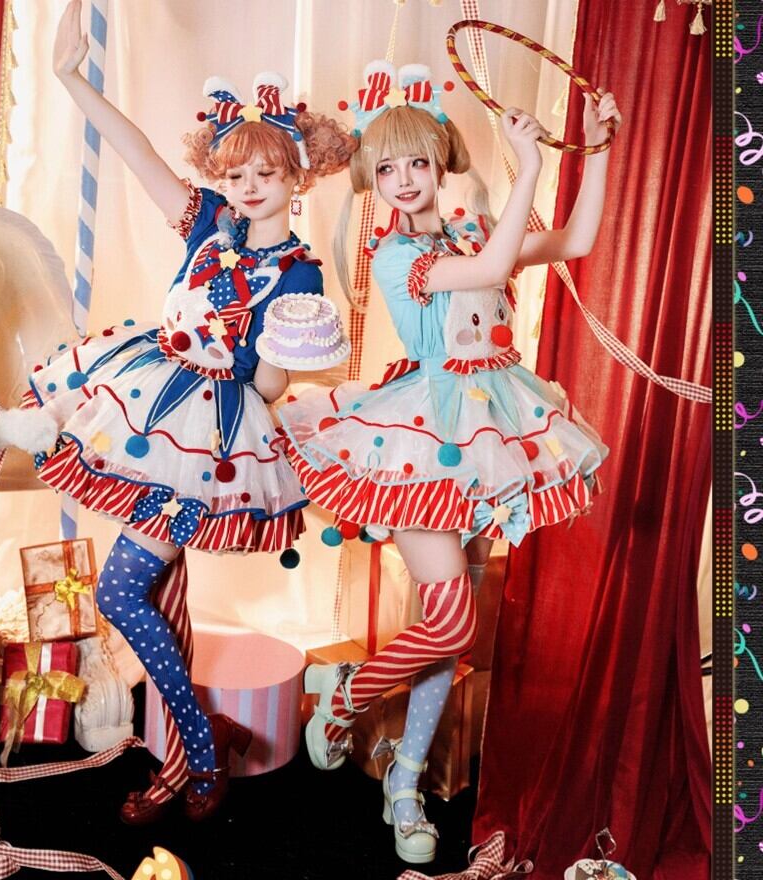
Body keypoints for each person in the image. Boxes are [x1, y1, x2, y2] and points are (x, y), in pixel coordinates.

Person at [280, 60, 621, 863]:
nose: (403, 179)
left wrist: (597, 148)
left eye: (417, 162)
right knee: (453, 621)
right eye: (386, 168)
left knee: (448, 635)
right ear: (373, 179)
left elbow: (576, 241)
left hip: (491, 436)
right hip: (420, 442)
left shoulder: (469, 232)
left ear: (441, 163)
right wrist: (531, 164)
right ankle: (346, 697)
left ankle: (404, 780)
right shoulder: (398, 257)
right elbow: (495, 270)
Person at [26, 0, 356, 825]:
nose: (248, 187)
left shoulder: (302, 275)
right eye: (236, 173)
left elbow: (270, 388)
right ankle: (192, 748)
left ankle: (199, 752)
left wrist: (258, 352)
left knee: (120, 590)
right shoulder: (207, 220)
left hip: (212, 437)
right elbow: (136, 152)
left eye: (266, 173)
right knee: (149, 588)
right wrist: (69, 79)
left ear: (297, 177)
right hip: (147, 397)